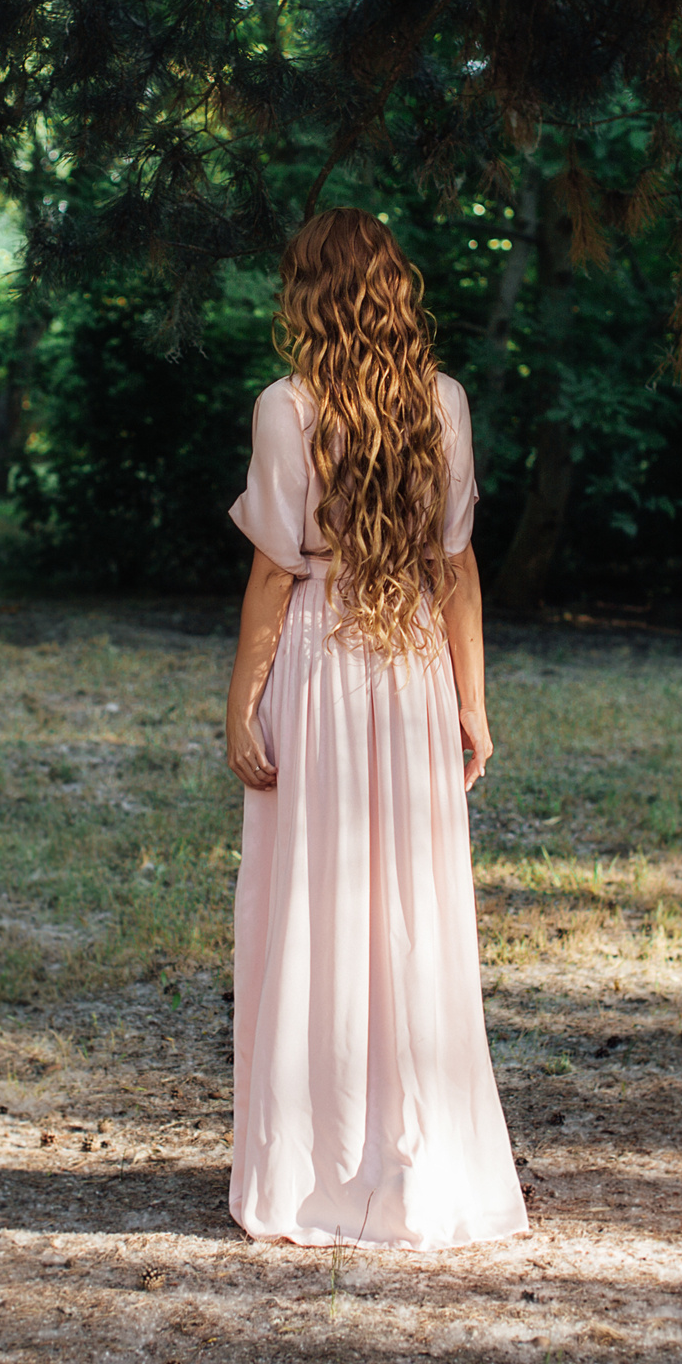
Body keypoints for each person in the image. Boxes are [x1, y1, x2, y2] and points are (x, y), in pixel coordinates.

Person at [220, 205, 529, 1251]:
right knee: (410, 904)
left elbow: (273, 566)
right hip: (409, 670)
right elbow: (457, 566)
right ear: (395, 289)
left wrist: (239, 701)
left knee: (313, 898)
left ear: (306, 292)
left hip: (319, 659)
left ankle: (313, 1168)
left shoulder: (285, 406)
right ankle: (416, 1157)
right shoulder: (442, 400)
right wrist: (471, 700)